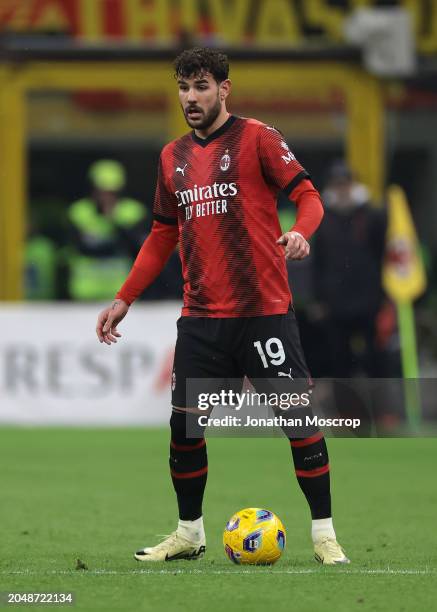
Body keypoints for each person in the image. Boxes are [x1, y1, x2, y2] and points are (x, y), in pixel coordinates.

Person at [96, 48, 349, 565]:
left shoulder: (258, 137)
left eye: (202, 87)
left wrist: (301, 233)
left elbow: (309, 196)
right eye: (184, 88)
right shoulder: (172, 158)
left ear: (224, 90)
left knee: (298, 421)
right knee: (184, 428)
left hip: (264, 313)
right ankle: (190, 533)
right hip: (202, 319)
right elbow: (162, 234)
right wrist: (125, 297)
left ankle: (324, 534)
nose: (191, 97)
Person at [313, 161, 388, 377]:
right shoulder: (323, 219)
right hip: (335, 302)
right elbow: (318, 263)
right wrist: (319, 299)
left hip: (369, 300)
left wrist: (383, 296)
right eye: (337, 185)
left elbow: (381, 254)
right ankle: (344, 409)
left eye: (345, 184)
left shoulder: (373, 216)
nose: (342, 190)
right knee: (339, 359)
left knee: (376, 357)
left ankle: (381, 408)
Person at [68, 159, 147, 301]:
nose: (106, 197)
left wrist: (114, 220)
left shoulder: (133, 212)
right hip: (85, 291)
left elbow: (138, 248)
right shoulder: (79, 212)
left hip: (122, 293)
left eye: (111, 192)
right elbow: (79, 247)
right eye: (102, 192)